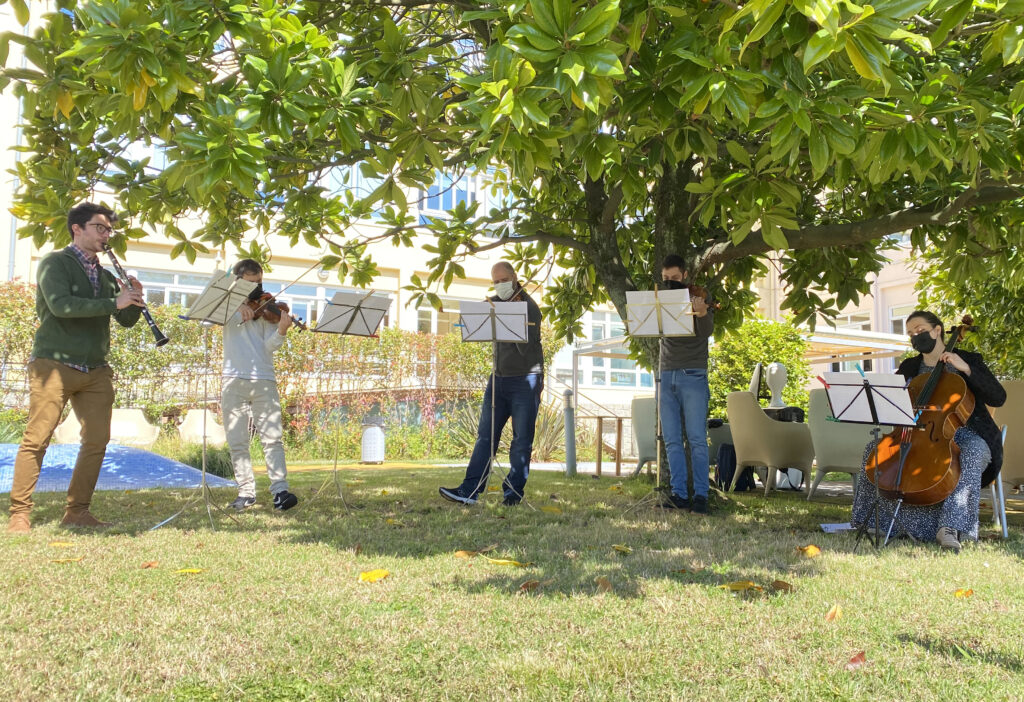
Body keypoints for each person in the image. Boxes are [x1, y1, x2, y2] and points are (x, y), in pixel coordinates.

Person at [7, 202, 145, 533]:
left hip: (96, 368)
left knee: (97, 440)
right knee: (37, 437)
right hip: (54, 363)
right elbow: (61, 306)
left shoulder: (107, 275)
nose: (106, 235)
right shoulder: (55, 263)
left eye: (109, 230)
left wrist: (135, 298)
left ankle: (78, 511)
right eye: (100, 228)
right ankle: (19, 514)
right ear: (77, 228)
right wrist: (115, 301)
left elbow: (124, 320)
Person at [851, 310, 1006, 552]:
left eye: (920, 330)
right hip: (917, 430)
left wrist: (965, 369)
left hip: (964, 431)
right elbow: (894, 401)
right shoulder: (910, 366)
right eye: (911, 333)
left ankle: (950, 527)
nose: (915, 336)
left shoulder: (969, 359)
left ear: (937, 330)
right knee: (874, 449)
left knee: (974, 451)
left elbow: (998, 397)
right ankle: (868, 521)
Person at [439, 262, 544, 507]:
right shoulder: (494, 304)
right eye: (495, 282)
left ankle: (512, 494)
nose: (499, 286)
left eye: (504, 280)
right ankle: (470, 489)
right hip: (498, 378)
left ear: (515, 277)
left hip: (526, 379)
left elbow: (525, 348)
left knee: (521, 439)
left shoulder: (529, 307)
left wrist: (514, 318)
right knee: (485, 436)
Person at [221, 259, 299, 512]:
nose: (256, 290)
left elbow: (269, 347)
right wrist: (238, 303)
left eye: (259, 283)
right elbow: (204, 320)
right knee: (237, 440)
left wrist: (282, 331)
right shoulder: (224, 304)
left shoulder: (268, 307)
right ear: (237, 281)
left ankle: (280, 492)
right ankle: (245, 492)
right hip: (233, 378)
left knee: (272, 439)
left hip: (264, 378)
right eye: (249, 284)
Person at [659, 254, 714, 514]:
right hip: (666, 374)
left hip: (693, 375)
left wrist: (702, 311)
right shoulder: (657, 300)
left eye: (675, 278)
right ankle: (678, 494)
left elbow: (705, 332)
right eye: (666, 279)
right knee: (671, 439)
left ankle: (701, 495)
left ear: (685, 276)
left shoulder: (698, 296)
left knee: (696, 439)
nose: (670, 282)